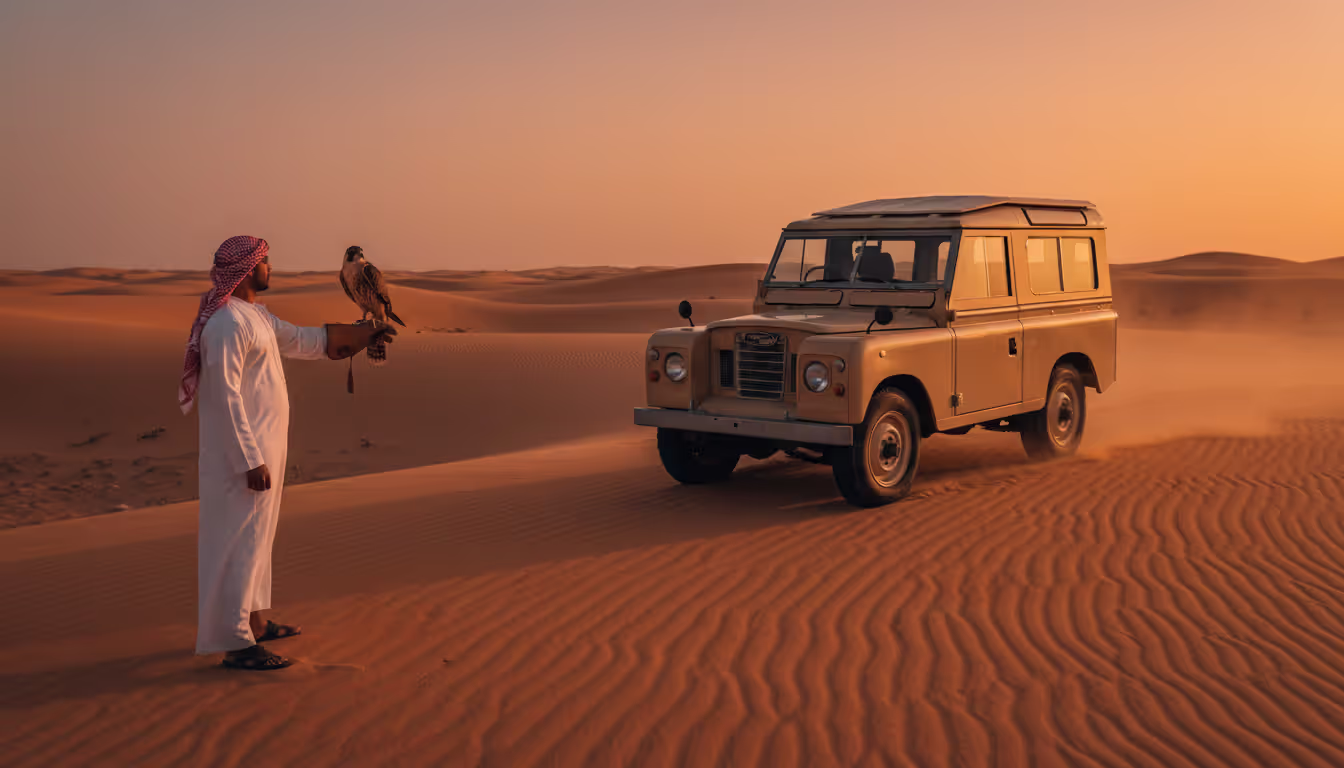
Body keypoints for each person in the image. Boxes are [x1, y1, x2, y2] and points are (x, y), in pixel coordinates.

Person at [179, 235, 395, 670]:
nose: (271, 267)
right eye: (265, 261)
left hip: (264, 449)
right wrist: (249, 460)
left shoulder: (255, 316)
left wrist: (360, 334)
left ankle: (255, 623)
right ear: (246, 269)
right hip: (242, 458)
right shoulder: (226, 325)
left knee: (258, 539)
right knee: (238, 543)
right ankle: (236, 643)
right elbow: (225, 397)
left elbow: (303, 340)